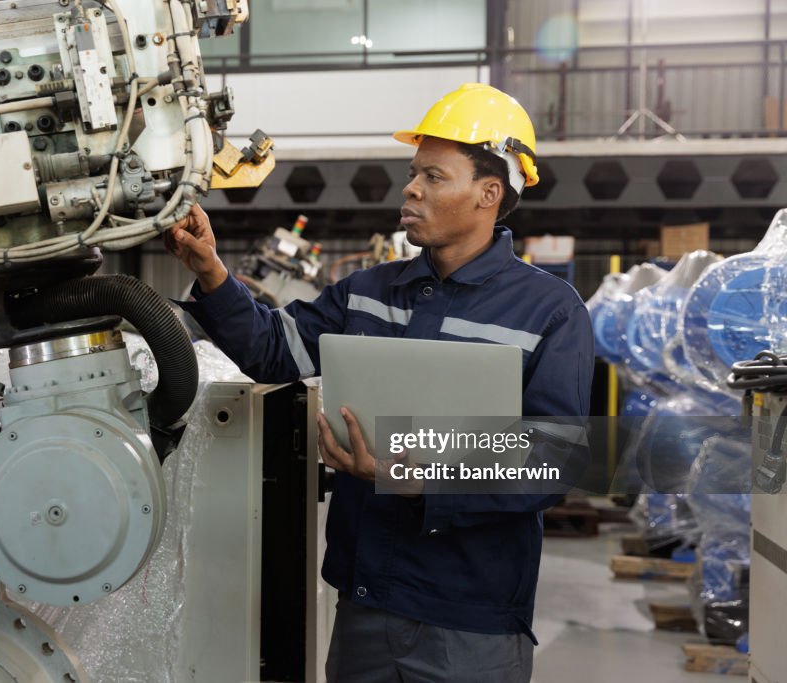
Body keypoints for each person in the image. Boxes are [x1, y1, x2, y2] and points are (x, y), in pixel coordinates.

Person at [167, 83, 594, 683]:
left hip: (469, 617)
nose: (411, 189)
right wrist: (212, 274)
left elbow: (554, 456)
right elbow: (275, 352)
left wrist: (414, 474)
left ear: (488, 194)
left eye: (434, 177)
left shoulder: (548, 311)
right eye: (413, 173)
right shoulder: (369, 292)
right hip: (365, 600)